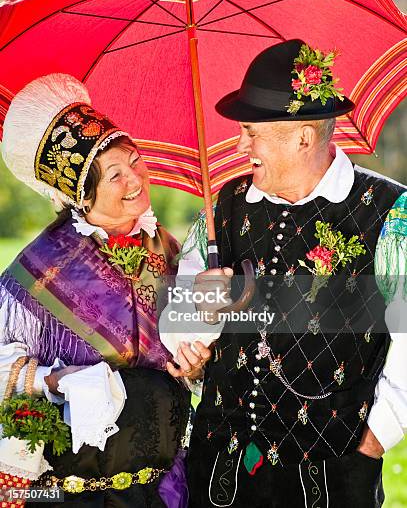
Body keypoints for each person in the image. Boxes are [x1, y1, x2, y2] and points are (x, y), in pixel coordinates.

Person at [160, 39, 406, 507]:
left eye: (251, 132)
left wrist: (373, 441)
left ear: (303, 136)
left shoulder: (390, 215)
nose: (240, 145)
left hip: (330, 479)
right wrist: (197, 321)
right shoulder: (225, 208)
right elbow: (176, 323)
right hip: (220, 473)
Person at [0, 73, 210, 507]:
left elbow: (196, 364)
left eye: (134, 161)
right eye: (115, 174)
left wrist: (196, 363)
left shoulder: (173, 252)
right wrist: (55, 380)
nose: (135, 179)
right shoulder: (40, 271)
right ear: (83, 195)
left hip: (163, 486)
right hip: (80, 492)